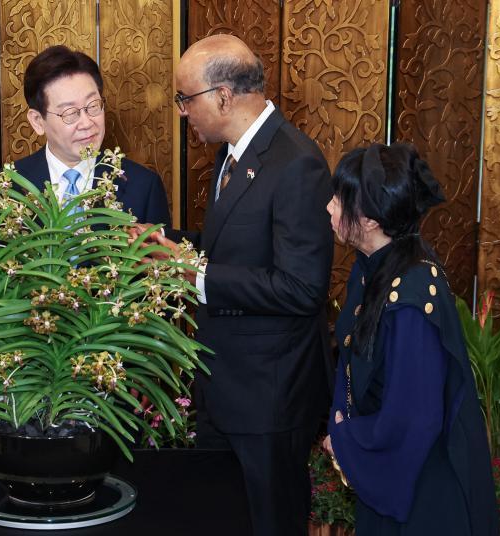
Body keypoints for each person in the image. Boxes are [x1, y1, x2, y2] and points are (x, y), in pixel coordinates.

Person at [132, 35, 334, 535]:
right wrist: (166, 242)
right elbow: (233, 250)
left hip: (269, 397)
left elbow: (301, 287)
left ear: (223, 96)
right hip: (225, 389)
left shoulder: (296, 163)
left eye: (185, 98)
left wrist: (196, 276)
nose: (182, 112)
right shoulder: (232, 154)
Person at [323, 143, 498, 535]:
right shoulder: (375, 267)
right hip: (397, 480)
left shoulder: (412, 295)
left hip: (422, 493)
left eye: (338, 199)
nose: (329, 208)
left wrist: (348, 440)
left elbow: (413, 418)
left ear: (368, 219)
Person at [0, 45, 170, 231]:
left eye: (93, 106)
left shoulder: (144, 186)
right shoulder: (4, 187)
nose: (87, 123)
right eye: (70, 113)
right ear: (37, 121)